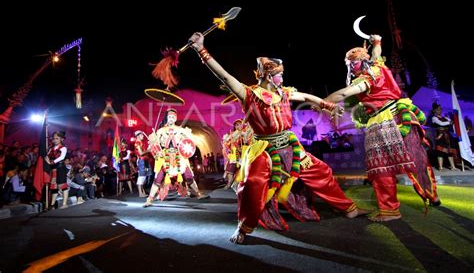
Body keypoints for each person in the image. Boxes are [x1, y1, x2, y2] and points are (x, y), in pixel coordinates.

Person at [188, 32, 370, 244]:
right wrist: (201, 49)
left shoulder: (284, 93)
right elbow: (225, 77)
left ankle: (349, 209)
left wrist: (327, 105)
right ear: (268, 76)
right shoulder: (249, 94)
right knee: (252, 184)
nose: (283, 79)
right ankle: (243, 227)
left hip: (290, 146)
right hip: (264, 150)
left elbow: (305, 96)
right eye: (279, 75)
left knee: (321, 171)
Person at [325, 34, 441, 222]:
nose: (350, 68)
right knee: (417, 156)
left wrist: (323, 102)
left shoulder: (364, 80)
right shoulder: (378, 66)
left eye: (351, 64)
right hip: (402, 114)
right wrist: (377, 42)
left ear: (361, 62)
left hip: (383, 122)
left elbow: (345, 93)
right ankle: (430, 194)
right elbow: (377, 53)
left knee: (381, 168)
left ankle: (390, 211)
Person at [144, 109, 208, 207]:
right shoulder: (161, 130)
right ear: (167, 118)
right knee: (158, 179)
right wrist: (153, 145)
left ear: (176, 118)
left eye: (173, 117)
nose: (171, 118)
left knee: (188, 176)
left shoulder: (181, 130)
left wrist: (187, 139)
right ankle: (149, 199)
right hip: (165, 156)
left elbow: (190, 140)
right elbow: (154, 144)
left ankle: (198, 193)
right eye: (169, 117)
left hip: (179, 156)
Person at [223, 119, 253, 191]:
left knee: (243, 169)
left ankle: (242, 184)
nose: (237, 126)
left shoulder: (246, 132)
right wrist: (229, 146)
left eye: (239, 124)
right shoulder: (234, 133)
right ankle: (229, 183)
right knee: (230, 169)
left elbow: (248, 140)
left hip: (244, 153)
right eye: (236, 125)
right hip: (234, 154)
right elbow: (227, 141)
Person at [431, 103, 459, 171]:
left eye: (440, 109)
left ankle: (453, 167)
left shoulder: (444, 117)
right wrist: (449, 123)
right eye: (438, 109)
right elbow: (441, 123)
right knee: (440, 152)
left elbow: (451, 121)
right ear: (434, 110)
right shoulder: (434, 118)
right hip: (440, 135)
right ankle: (440, 167)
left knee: (450, 151)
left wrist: (453, 120)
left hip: (447, 135)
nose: (440, 111)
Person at [45, 131, 69, 209]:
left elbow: (62, 157)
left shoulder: (63, 148)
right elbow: (47, 157)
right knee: (54, 187)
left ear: (61, 139)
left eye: (57, 138)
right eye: (54, 138)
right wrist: (47, 161)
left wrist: (52, 162)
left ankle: (65, 203)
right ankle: (52, 205)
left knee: (62, 185)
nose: (55, 140)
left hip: (60, 168)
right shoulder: (51, 149)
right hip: (53, 168)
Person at [134, 131, 149, 197]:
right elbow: (140, 153)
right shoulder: (137, 143)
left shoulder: (140, 142)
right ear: (138, 136)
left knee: (144, 177)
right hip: (141, 161)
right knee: (141, 177)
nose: (143, 136)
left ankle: (143, 192)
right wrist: (148, 150)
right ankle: (140, 193)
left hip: (144, 161)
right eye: (141, 135)